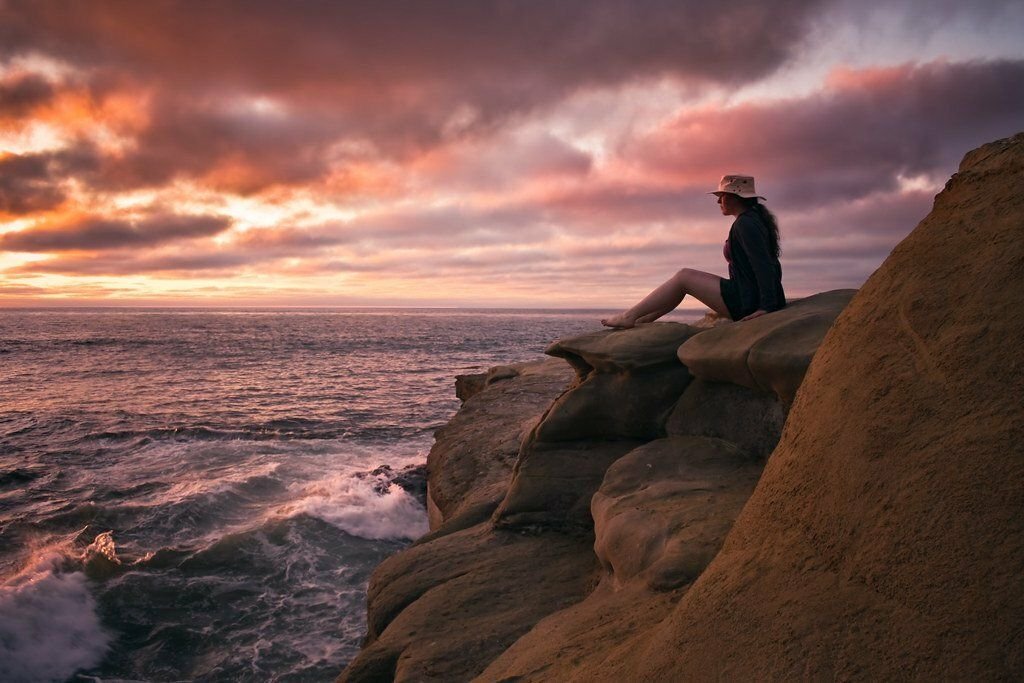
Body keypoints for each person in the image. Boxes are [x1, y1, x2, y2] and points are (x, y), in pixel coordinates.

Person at [601, 174, 785, 328]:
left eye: (722, 196)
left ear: (735, 197)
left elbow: (764, 265)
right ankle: (641, 320)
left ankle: (629, 317)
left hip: (746, 301)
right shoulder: (751, 219)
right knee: (683, 280)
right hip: (748, 294)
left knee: (683, 277)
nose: (718, 201)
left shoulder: (745, 224)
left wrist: (766, 306)